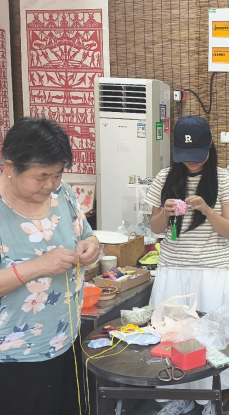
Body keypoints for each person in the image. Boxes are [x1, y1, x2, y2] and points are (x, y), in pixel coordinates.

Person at [145, 116, 229, 416]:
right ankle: (178, 395)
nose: (191, 162)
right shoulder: (165, 178)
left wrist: (206, 208)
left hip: (214, 273)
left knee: (211, 340)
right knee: (174, 338)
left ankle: (210, 397)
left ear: (210, 146)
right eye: (185, 155)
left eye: (197, 155)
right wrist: (166, 213)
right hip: (174, 271)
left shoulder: (225, 180)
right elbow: (155, 228)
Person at [0, 117, 100, 415]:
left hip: (65, 338)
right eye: (42, 176)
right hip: (14, 354)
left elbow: (88, 235)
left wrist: (91, 247)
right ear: (9, 167)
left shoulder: (62, 194)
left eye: (57, 174)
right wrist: (38, 266)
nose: (51, 185)